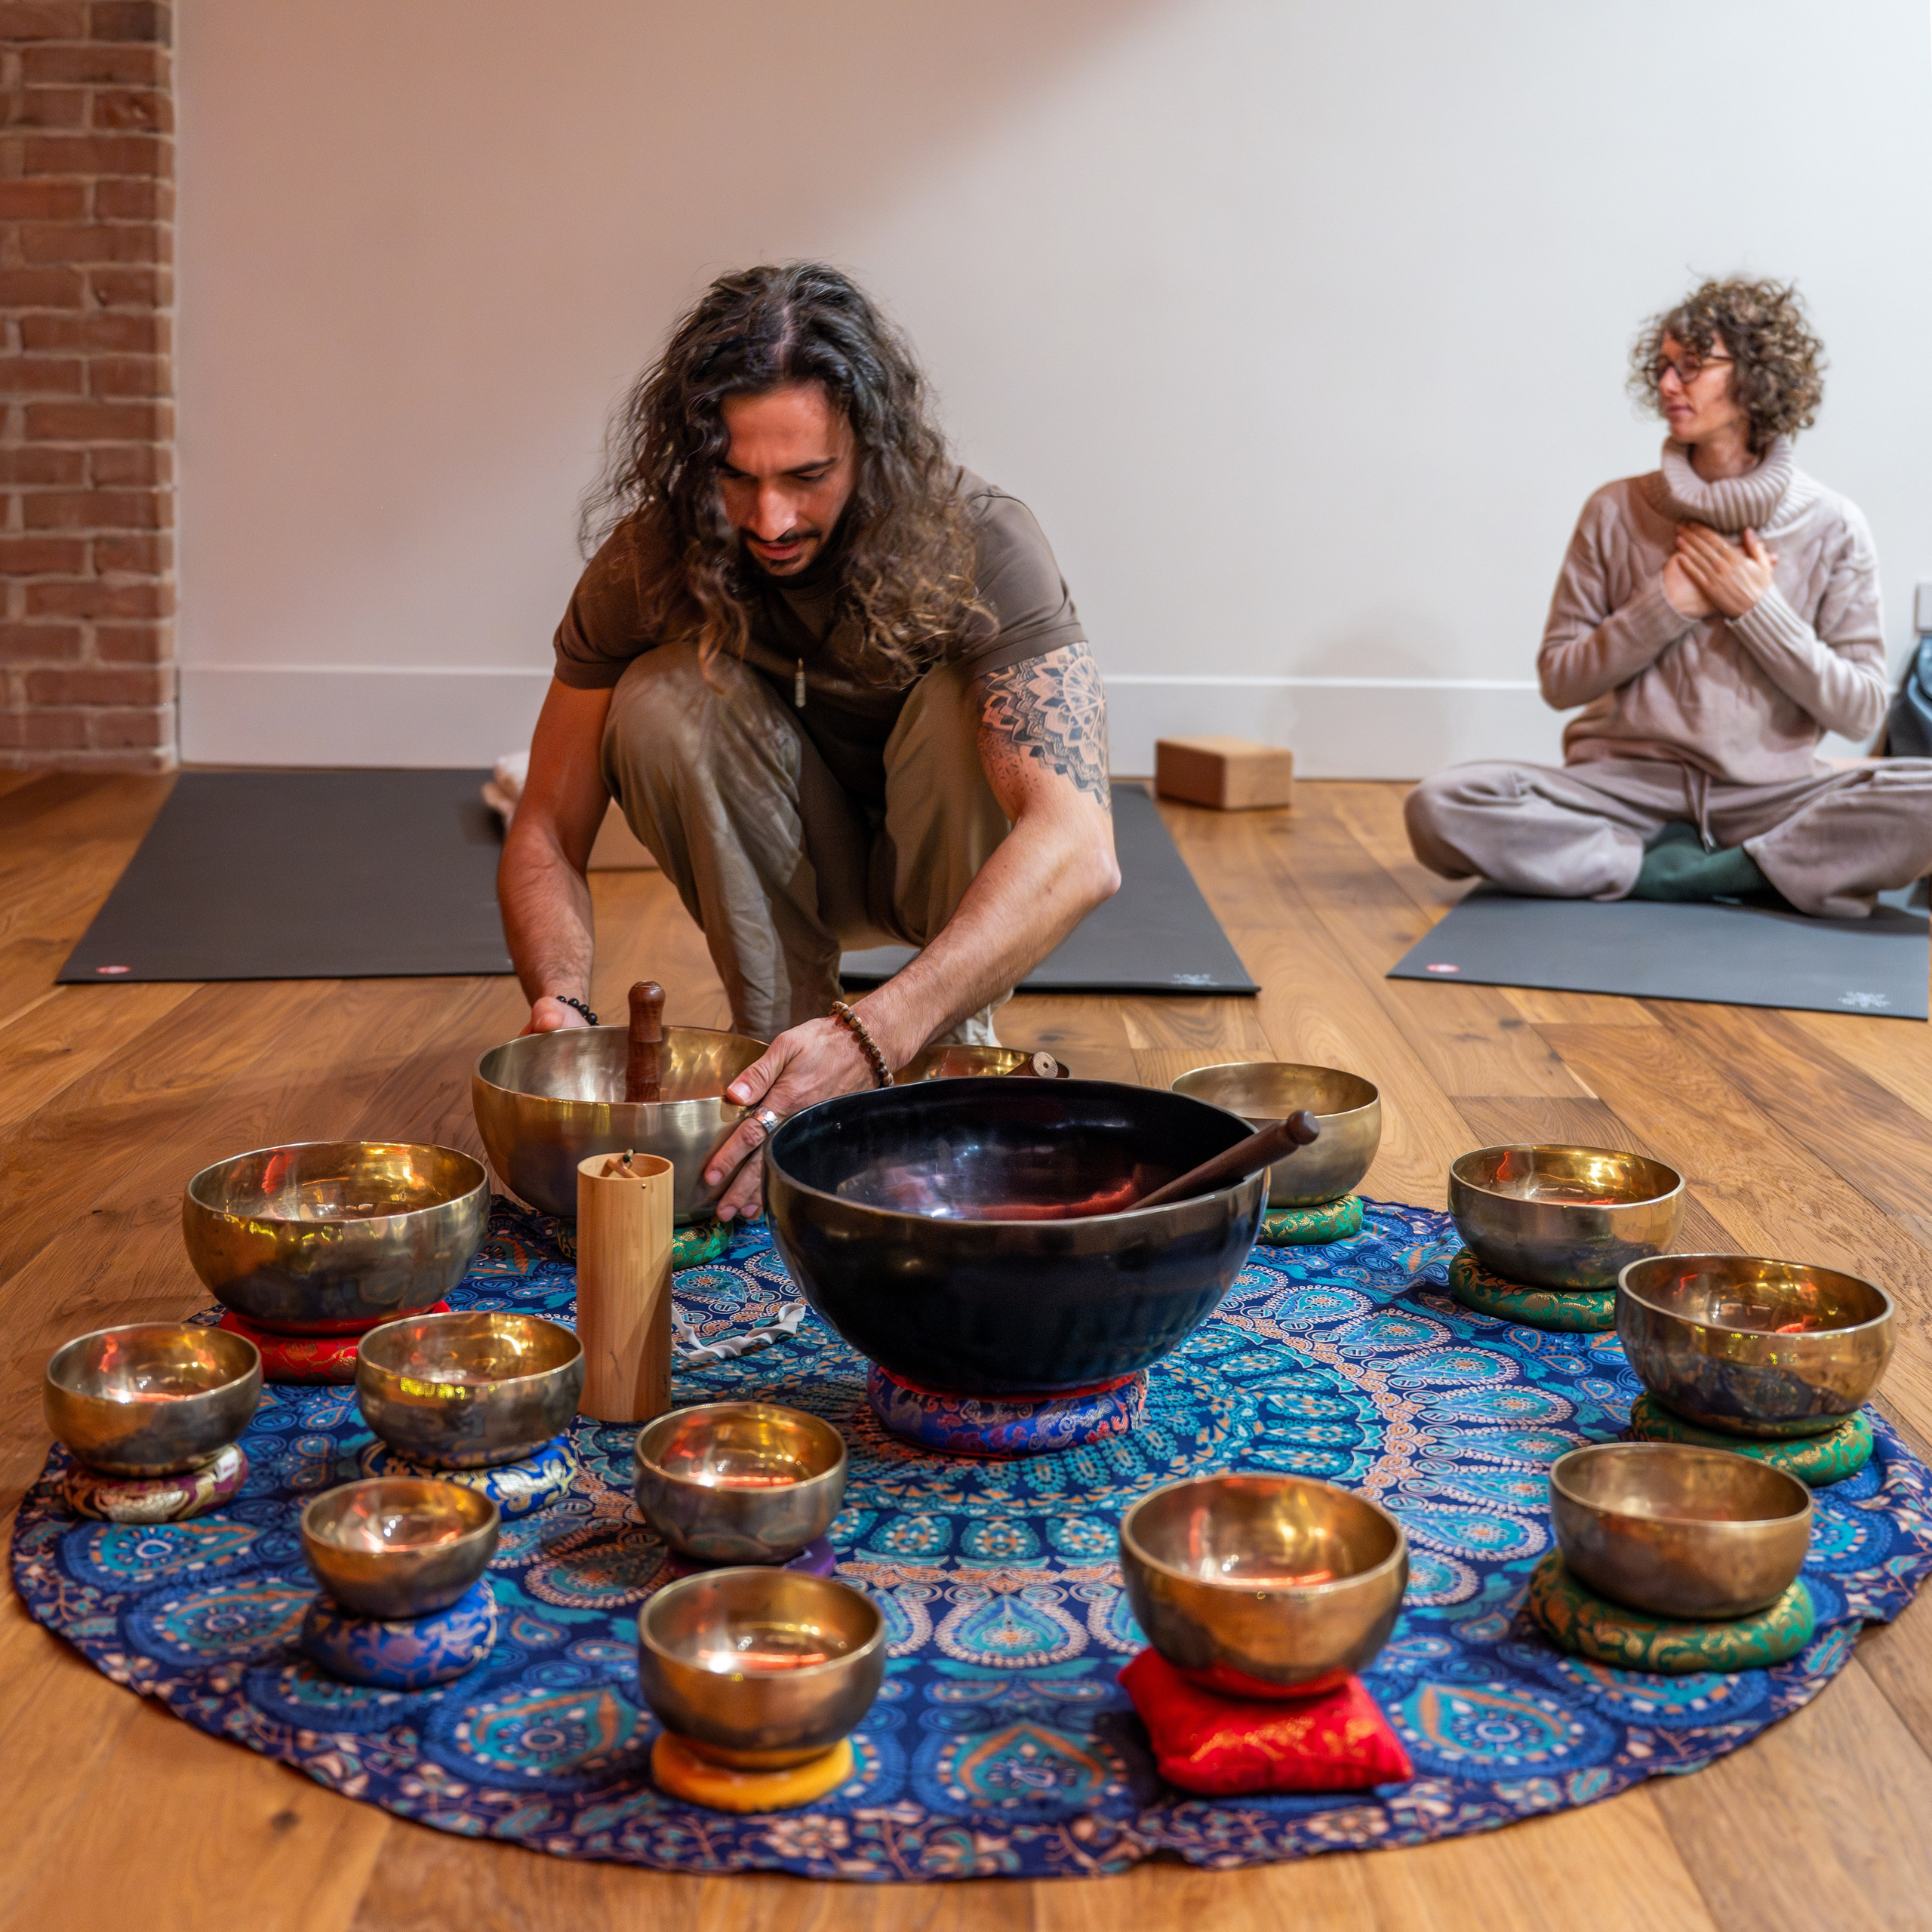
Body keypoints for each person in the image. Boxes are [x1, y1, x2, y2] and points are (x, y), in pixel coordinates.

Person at [500, 263, 1119, 1219]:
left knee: (970, 697)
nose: (770, 519)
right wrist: (562, 1010)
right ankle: (778, 1064)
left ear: (871, 450)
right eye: (736, 478)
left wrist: (875, 1035)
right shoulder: (651, 557)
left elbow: (1078, 847)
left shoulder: (982, 540)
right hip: (787, 862)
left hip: (939, 880)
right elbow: (544, 823)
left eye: (806, 477)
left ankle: (944, 1049)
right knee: (662, 692)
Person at [1404, 278, 1932, 915]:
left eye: (1691, 366)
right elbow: (1560, 682)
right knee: (1438, 806)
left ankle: (1695, 867)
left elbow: (1860, 711)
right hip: (1622, 791)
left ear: (1758, 376)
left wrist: (1756, 610)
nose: (1667, 385)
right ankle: (1728, 873)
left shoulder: (1833, 525)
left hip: (1769, 795)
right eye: (1662, 368)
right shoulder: (1615, 509)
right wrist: (1667, 605)